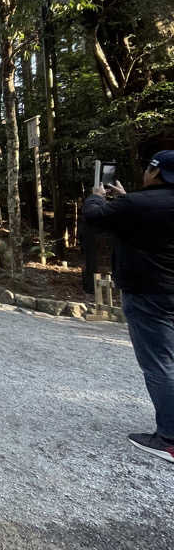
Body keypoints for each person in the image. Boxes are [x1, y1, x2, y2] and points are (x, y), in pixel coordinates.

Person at [83, 151, 174, 463]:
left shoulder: (138, 204)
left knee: (159, 362)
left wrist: (96, 197)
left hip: (149, 291)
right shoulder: (138, 203)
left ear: (156, 171)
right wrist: (126, 200)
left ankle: (169, 438)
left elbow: (96, 219)